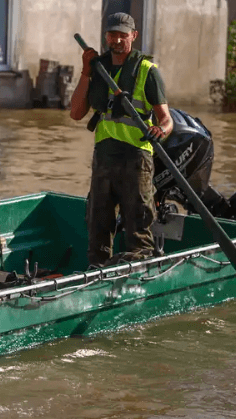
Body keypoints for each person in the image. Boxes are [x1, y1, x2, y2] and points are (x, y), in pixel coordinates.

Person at [69, 12, 173, 268]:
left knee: (138, 222)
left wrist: (161, 130)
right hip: (104, 158)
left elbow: (167, 120)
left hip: (136, 158)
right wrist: (85, 71)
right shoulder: (98, 68)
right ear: (105, 36)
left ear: (133, 36)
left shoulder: (147, 71)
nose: (116, 40)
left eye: (122, 35)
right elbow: (76, 113)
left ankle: (139, 272)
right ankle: (97, 271)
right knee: (98, 222)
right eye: (112, 34)